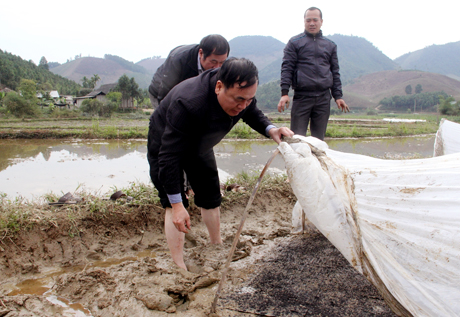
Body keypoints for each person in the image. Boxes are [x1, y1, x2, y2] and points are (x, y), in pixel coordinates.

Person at [147, 57, 294, 270]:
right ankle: (178, 265)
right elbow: (168, 157)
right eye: (238, 100)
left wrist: (271, 129)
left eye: (248, 99)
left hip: (200, 143)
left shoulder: (243, 97)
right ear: (219, 87)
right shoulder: (188, 102)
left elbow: (252, 112)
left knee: (211, 196)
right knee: (174, 205)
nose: (242, 106)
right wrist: (178, 205)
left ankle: (217, 245)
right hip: (166, 144)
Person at [277, 7, 349, 140]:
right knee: (297, 139)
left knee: (318, 141)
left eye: (315, 20)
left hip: (323, 98)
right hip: (302, 97)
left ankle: (317, 161)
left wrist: (338, 96)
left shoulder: (330, 45)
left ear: (321, 21)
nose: (312, 23)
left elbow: (335, 72)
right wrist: (284, 93)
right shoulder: (294, 42)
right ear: (304, 21)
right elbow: (287, 68)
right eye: (308, 20)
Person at [148, 34, 230, 109]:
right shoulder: (179, 60)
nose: (217, 67)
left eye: (222, 63)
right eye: (213, 62)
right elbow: (165, 92)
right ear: (201, 53)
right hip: (161, 92)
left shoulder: (220, 67)